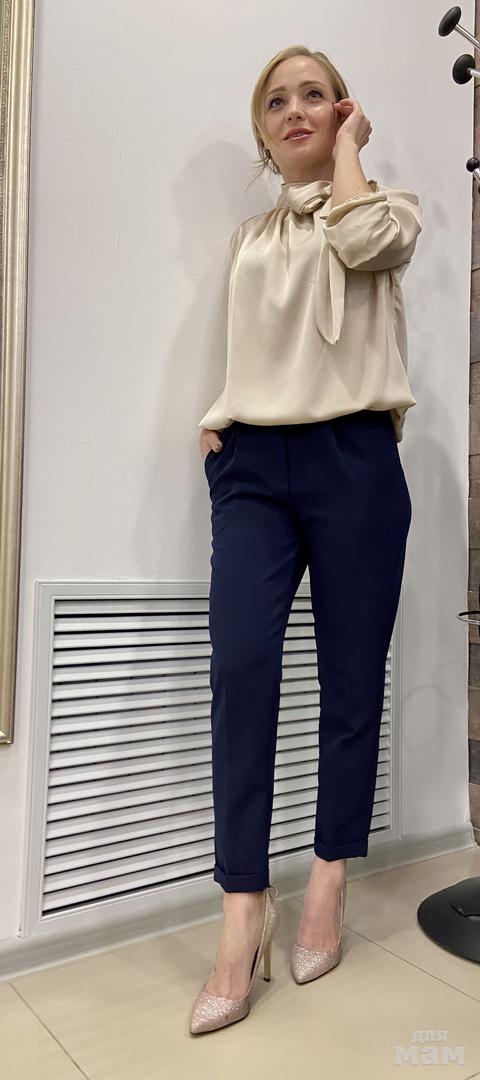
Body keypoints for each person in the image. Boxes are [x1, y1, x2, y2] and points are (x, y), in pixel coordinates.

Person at [190, 45, 422, 1035]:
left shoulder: (387, 208)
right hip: (254, 464)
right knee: (241, 666)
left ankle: (328, 876)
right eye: (276, 101)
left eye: (315, 97)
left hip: (355, 460)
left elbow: (364, 242)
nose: (295, 110)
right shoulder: (249, 237)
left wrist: (354, 153)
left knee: (350, 677)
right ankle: (243, 906)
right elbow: (254, 347)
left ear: (342, 112)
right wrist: (218, 420)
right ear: (262, 129)